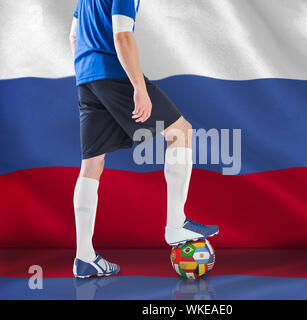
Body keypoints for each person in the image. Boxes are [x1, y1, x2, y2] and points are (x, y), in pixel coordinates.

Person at [69, 0, 219, 278]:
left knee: (91, 165)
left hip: (85, 76)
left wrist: (88, 75)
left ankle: (84, 257)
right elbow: (122, 35)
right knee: (181, 132)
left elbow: (74, 36)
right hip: (113, 71)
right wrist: (139, 86)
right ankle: (176, 223)